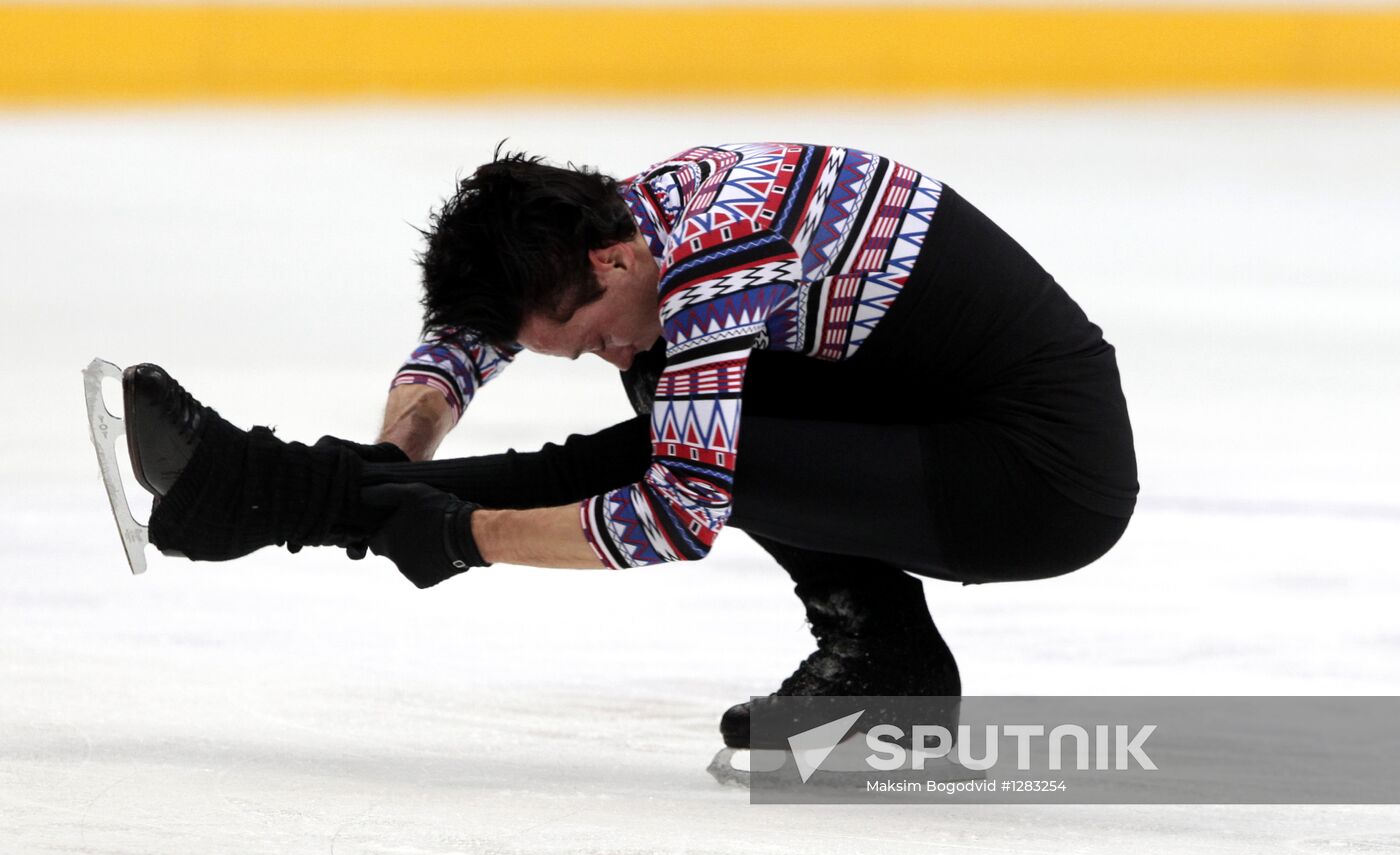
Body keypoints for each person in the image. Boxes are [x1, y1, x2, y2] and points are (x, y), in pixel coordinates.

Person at [121, 142, 1138, 750]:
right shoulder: (627, 223)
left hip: (1037, 483)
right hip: (931, 419)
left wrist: (468, 536)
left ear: (611, 259)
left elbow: (675, 508)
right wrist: (395, 456)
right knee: (673, 397)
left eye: (590, 329)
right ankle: (889, 669)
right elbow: (467, 340)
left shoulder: (721, 262)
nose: (598, 349)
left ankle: (268, 495)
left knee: (678, 413)